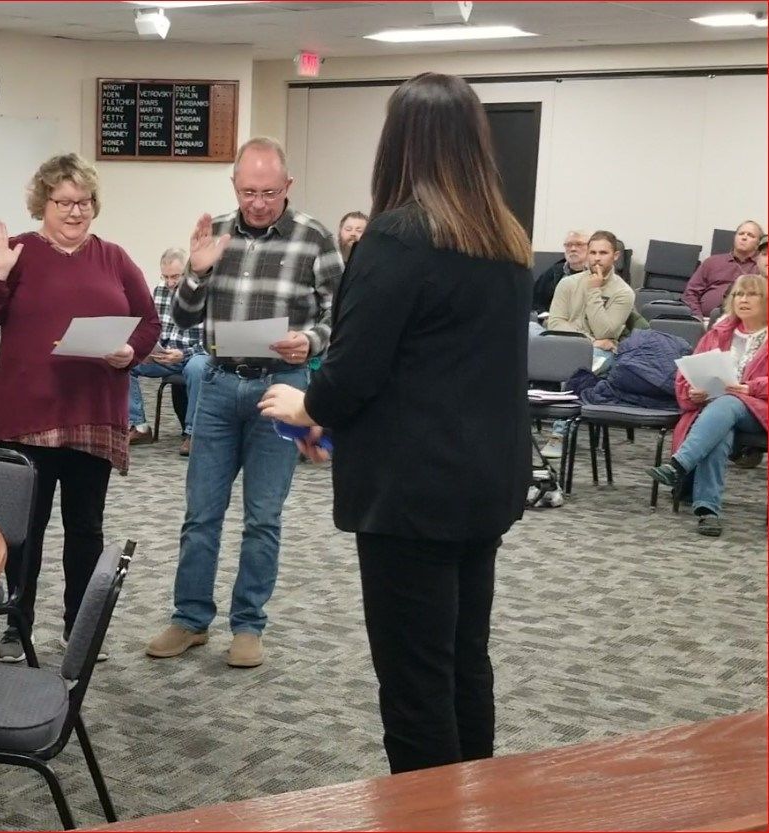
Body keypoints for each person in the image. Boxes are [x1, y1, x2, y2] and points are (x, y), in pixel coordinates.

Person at [258, 72, 531, 774]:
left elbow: (353, 370)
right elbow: (436, 371)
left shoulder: (397, 236)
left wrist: (306, 408)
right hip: (482, 482)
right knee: (464, 660)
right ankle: (478, 807)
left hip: (410, 496)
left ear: (397, 143)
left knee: (414, 685)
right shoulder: (503, 239)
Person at [144, 137, 343, 669]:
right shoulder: (217, 236)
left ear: (288, 187)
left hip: (284, 390)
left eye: (270, 193)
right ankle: (190, 620)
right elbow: (183, 319)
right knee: (201, 513)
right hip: (217, 384)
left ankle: (248, 625)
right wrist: (198, 271)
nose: (258, 203)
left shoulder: (314, 239)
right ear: (234, 186)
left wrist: (311, 341)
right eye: (249, 192)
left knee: (263, 516)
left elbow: (342, 316)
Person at [0, 153, 160, 662]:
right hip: (27, 415)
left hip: (93, 413)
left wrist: (128, 354)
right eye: (64, 202)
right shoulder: (18, 253)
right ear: (42, 204)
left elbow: (149, 322)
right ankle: (16, 626)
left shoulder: (114, 257)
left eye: (84, 202)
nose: (75, 212)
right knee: (25, 530)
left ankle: (80, 626)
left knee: (85, 528)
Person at [649, 273, 767, 536]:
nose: (743, 300)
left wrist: (751, 388)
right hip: (714, 413)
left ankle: (679, 465)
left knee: (729, 403)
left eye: (752, 294)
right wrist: (693, 392)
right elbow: (688, 375)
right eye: (738, 294)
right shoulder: (717, 333)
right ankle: (707, 511)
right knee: (720, 430)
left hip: (759, 410)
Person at [128, 248, 209, 456]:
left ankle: (193, 434)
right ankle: (139, 426)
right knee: (125, 361)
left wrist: (185, 354)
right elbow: (152, 327)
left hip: (196, 354)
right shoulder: (160, 291)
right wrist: (145, 348)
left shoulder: (207, 294)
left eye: (175, 276)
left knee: (197, 368)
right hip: (165, 355)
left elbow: (213, 340)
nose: (170, 282)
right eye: (165, 276)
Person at [545, 229, 634, 359]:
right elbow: (555, 323)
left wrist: (593, 291)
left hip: (599, 352)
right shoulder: (567, 283)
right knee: (531, 329)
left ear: (615, 256)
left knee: (592, 358)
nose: (597, 258)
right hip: (566, 343)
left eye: (603, 253)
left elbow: (603, 333)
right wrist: (590, 341)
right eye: (592, 253)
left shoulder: (624, 292)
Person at [682, 220, 763, 318]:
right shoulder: (712, 262)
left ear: (759, 243)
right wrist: (697, 317)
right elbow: (691, 293)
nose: (744, 237)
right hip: (706, 320)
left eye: (750, 235)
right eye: (741, 234)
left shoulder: (762, 266)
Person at [531, 229, 589, 315]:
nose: (573, 249)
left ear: (590, 248)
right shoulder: (553, 272)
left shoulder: (598, 274)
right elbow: (535, 301)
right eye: (568, 245)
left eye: (579, 244)